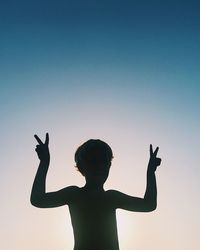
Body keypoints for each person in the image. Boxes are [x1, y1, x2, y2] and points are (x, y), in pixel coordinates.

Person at [31, 133, 161, 250]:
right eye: (93, 161)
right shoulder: (75, 194)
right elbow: (38, 200)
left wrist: (151, 172)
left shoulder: (111, 197)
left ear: (109, 166)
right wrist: (44, 162)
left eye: (103, 162)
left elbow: (149, 205)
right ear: (82, 167)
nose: (99, 166)